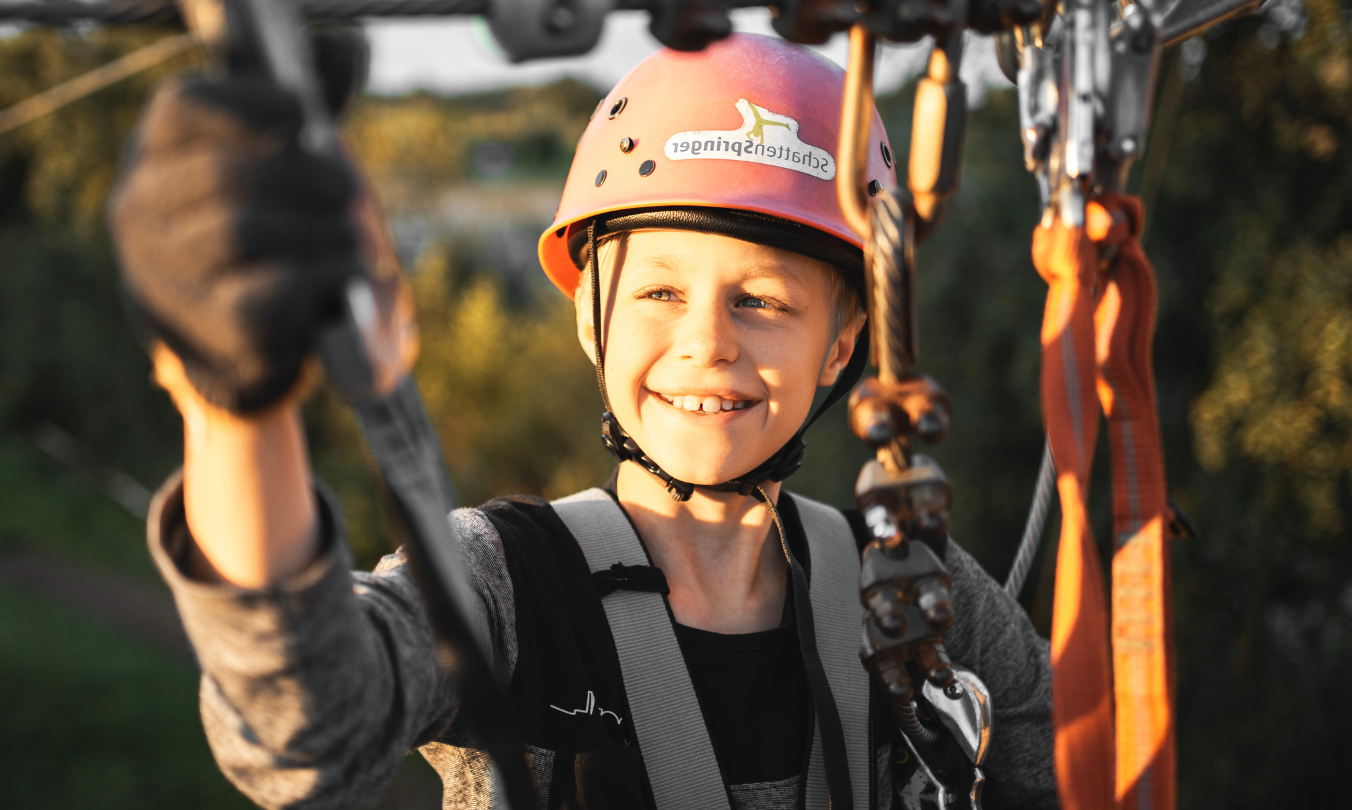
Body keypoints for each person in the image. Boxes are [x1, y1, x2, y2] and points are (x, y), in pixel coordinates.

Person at [108, 31, 1057, 810]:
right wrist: (237, 408)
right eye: (657, 291)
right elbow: (300, 728)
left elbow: (1082, 764)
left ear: (844, 344)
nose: (706, 343)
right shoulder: (505, 582)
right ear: (589, 316)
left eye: (763, 302)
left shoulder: (914, 602)